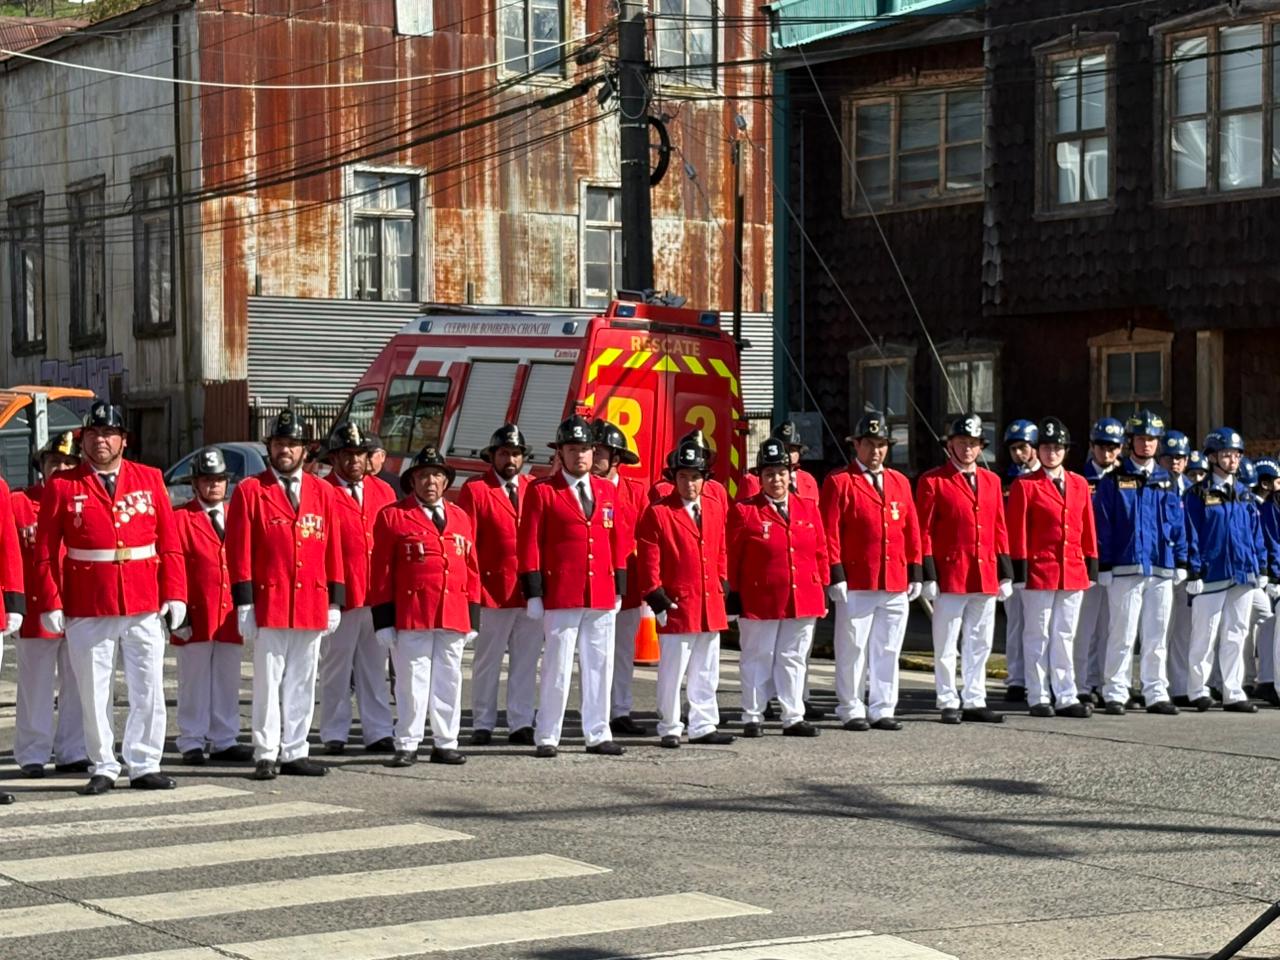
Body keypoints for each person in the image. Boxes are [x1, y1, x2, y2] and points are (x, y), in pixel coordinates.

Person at [34, 401, 186, 795]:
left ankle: (144, 762)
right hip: (89, 600)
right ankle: (103, 763)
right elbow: (47, 552)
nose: (101, 441)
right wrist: (52, 600)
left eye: (109, 434)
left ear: (123, 439)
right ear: (83, 441)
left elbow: (169, 543)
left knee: (147, 686)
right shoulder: (63, 486)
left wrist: (175, 592)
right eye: (94, 435)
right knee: (94, 689)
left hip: (142, 599)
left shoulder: (150, 478)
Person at [226, 409, 345, 780]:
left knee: (303, 681)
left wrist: (335, 600)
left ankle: (295, 750)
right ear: (270, 448)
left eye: (292, 444)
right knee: (267, 680)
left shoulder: (323, 491)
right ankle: (266, 751)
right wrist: (244, 601)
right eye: (279, 444)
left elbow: (333, 548)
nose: (285, 450)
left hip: (310, 600)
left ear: (305, 450)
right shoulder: (251, 491)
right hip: (271, 600)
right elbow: (238, 549)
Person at [518, 416, 627, 758]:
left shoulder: (608, 490)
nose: (579, 456)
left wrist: (620, 586)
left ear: (594, 452)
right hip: (561, 592)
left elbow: (618, 540)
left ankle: (598, 732)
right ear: (560, 454)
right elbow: (529, 543)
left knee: (599, 664)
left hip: (601, 591)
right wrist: (533, 591)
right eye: (572, 449)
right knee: (557, 665)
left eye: (585, 449)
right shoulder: (543, 490)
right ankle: (548, 734)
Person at [371, 446, 479, 766]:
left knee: (449, 679)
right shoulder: (393, 516)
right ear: (412, 481)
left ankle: (445, 741)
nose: (430, 482)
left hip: (453, 610)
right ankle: (407, 742)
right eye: (423, 475)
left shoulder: (460, 516)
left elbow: (471, 566)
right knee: (411, 680)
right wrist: (384, 619)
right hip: (412, 612)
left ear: (445, 482)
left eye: (437, 475)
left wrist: (473, 614)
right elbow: (380, 571)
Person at [819, 411, 922, 732]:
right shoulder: (839, 482)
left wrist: (916, 571)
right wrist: (835, 575)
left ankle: (883, 706)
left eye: (881, 445)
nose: (875, 451)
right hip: (857, 581)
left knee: (888, 648)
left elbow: (911, 528)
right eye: (869, 444)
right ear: (857, 446)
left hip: (894, 578)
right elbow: (829, 532)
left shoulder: (899, 482)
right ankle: (850, 706)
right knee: (853, 647)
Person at [728, 437, 828, 738]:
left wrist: (822, 588)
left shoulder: (808, 507)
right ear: (760, 478)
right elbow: (732, 556)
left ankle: (793, 715)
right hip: (761, 597)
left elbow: (821, 551)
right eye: (769, 474)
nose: (776, 480)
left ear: (790, 474)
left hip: (802, 595)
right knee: (757, 655)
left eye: (781, 473)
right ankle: (753, 714)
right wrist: (732, 595)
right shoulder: (746, 511)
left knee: (793, 657)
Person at [915, 414, 1012, 724]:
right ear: (950, 446)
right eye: (962, 443)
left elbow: (999, 527)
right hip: (951, 573)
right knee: (946, 641)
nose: (968, 449)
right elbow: (923, 531)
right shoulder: (933, 481)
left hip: (984, 572)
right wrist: (928, 574)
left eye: (973, 444)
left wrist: (1006, 572)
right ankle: (947, 699)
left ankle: (975, 697)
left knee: (980, 641)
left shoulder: (991, 481)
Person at [636, 437, 733, 748]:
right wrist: (657, 598)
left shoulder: (715, 508)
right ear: (673, 478)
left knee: (707, 668)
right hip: (678, 603)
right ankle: (670, 725)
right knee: (673, 670)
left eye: (695, 477)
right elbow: (649, 561)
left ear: (705, 479)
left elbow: (720, 550)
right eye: (683, 476)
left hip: (709, 601)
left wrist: (722, 581)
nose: (689, 483)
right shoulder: (659, 513)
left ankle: (704, 723)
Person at [1094, 409, 1187, 716]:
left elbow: (1177, 523)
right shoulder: (1113, 480)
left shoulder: (1167, 481)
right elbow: (1103, 524)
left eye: (1152, 439)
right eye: (1141, 439)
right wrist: (1104, 564)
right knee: (1121, 633)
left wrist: (1181, 560)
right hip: (1125, 567)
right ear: (1130, 442)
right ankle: (1115, 691)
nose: (1147, 444)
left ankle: (1155, 691)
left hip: (1160, 566)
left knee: (1156, 635)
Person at [456, 423, 541, 745]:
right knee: (487, 661)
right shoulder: (477, 490)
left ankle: (521, 721)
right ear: (492, 456)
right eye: (504, 452)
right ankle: (483, 722)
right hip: (492, 590)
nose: (510, 459)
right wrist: (471, 591)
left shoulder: (533, 487)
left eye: (516, 453)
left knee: (526, 660)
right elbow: (467, 542)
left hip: (527, 590)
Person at [1006, 417, 1096, 718]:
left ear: (1065, 451)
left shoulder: (1079, 483)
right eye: (1046, 447)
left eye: (1057, 448)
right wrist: (1018, 573)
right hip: (1039, 571)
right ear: (1038, 451)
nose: (1051, 453)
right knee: (1038, 634)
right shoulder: (1025, 485)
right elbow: (1016, 530)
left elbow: (1087, 527)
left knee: (1065, 634)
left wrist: (1091, 565)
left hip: (1071, 569)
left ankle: (1066, 694)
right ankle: (1038, 694)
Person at [11, 432, 88, 783]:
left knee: (77, 684)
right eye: (54, 461)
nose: (61, 468)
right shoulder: (19, 503)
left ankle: (73, 751)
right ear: (40, 466)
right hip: (36, 608)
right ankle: (33, 753)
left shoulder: (85, 501)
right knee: (35, 686)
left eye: (69, 463)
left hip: (78, 607)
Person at [317, 421, 398, 756]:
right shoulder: (322, 491)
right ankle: (334, 732)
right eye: (347, 455)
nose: (354, 461)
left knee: (374, 666)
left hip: (375, 593)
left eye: (360, 454)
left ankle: (378, 730)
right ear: (335, 457)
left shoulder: (384, 491)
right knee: (336, 666)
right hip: (343, 594)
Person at [171, 447, 253, 765]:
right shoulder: (181, 518)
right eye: (206, 480)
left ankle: (224, 739)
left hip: (230, 610)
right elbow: (173, 567)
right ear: (195, 483)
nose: (213, 486)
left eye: (219, 480)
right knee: (193, 680)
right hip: (196, 611)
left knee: (228, 678)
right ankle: (191, 740)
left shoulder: (237, 514)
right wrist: (179, 612)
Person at [1183, 428, 1267, 713]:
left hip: (1242, 572)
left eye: (1236, 454)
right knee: (1204, 634)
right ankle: (1197, 689)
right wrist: (1194, 570)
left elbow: (1255, 533)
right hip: (1211, 572)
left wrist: (1260, 564)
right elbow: (1190, 531)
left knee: (1237, 632)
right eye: (1226, 454)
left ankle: (1233, 690)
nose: (1232, 460)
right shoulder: (1197, 493)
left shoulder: (1245, 493)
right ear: (1212, 457)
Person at [591, 418, 650, 737]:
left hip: (627, 584)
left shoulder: (635, 491)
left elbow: (647, 537)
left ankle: (620, 711)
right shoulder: (585, 488)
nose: (593, 456)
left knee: (623, 651)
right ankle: (594, 710)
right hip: (592, 583)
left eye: (599, 451)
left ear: (616, 457)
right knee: (594, 652)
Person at [1075, 417, 1125, 703]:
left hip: (1118, 562)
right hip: (1087, 562)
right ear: (1092, 447)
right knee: (1084, 627)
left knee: (1111, 627)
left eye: (1113, 447)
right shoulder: (1080, 479)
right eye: (1102, 447)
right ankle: (1081, 683)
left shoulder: (1125, 479)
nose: (1107, 454)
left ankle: (1106, 684)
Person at [1001, 418, 1040, 704]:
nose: (1018, 454)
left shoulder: (1047, 477)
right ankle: (1016, 678)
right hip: (1014, 561)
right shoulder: (1006, 480)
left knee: (1043, 626)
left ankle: (1041, 678)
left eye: (1023, 447)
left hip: (1041, 560)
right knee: (1016, 621)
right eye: (1014, 448)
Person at [1159, 430, 1197, 707]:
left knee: (1183, 630)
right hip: (1162, 563)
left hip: (1186, 567)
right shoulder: (1156, 485)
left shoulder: (1195, 490)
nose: (1175, 463)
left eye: (1180, 458)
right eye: (1170, 458)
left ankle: (1179, 684)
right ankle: (1156, 684)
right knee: (1159, 630)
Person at [737, 420, 820, 502]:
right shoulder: (751, 481)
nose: (787, 454)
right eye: (783, 449)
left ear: (799, 453)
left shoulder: (808, 480)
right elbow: (745, 512)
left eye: (792, 450)